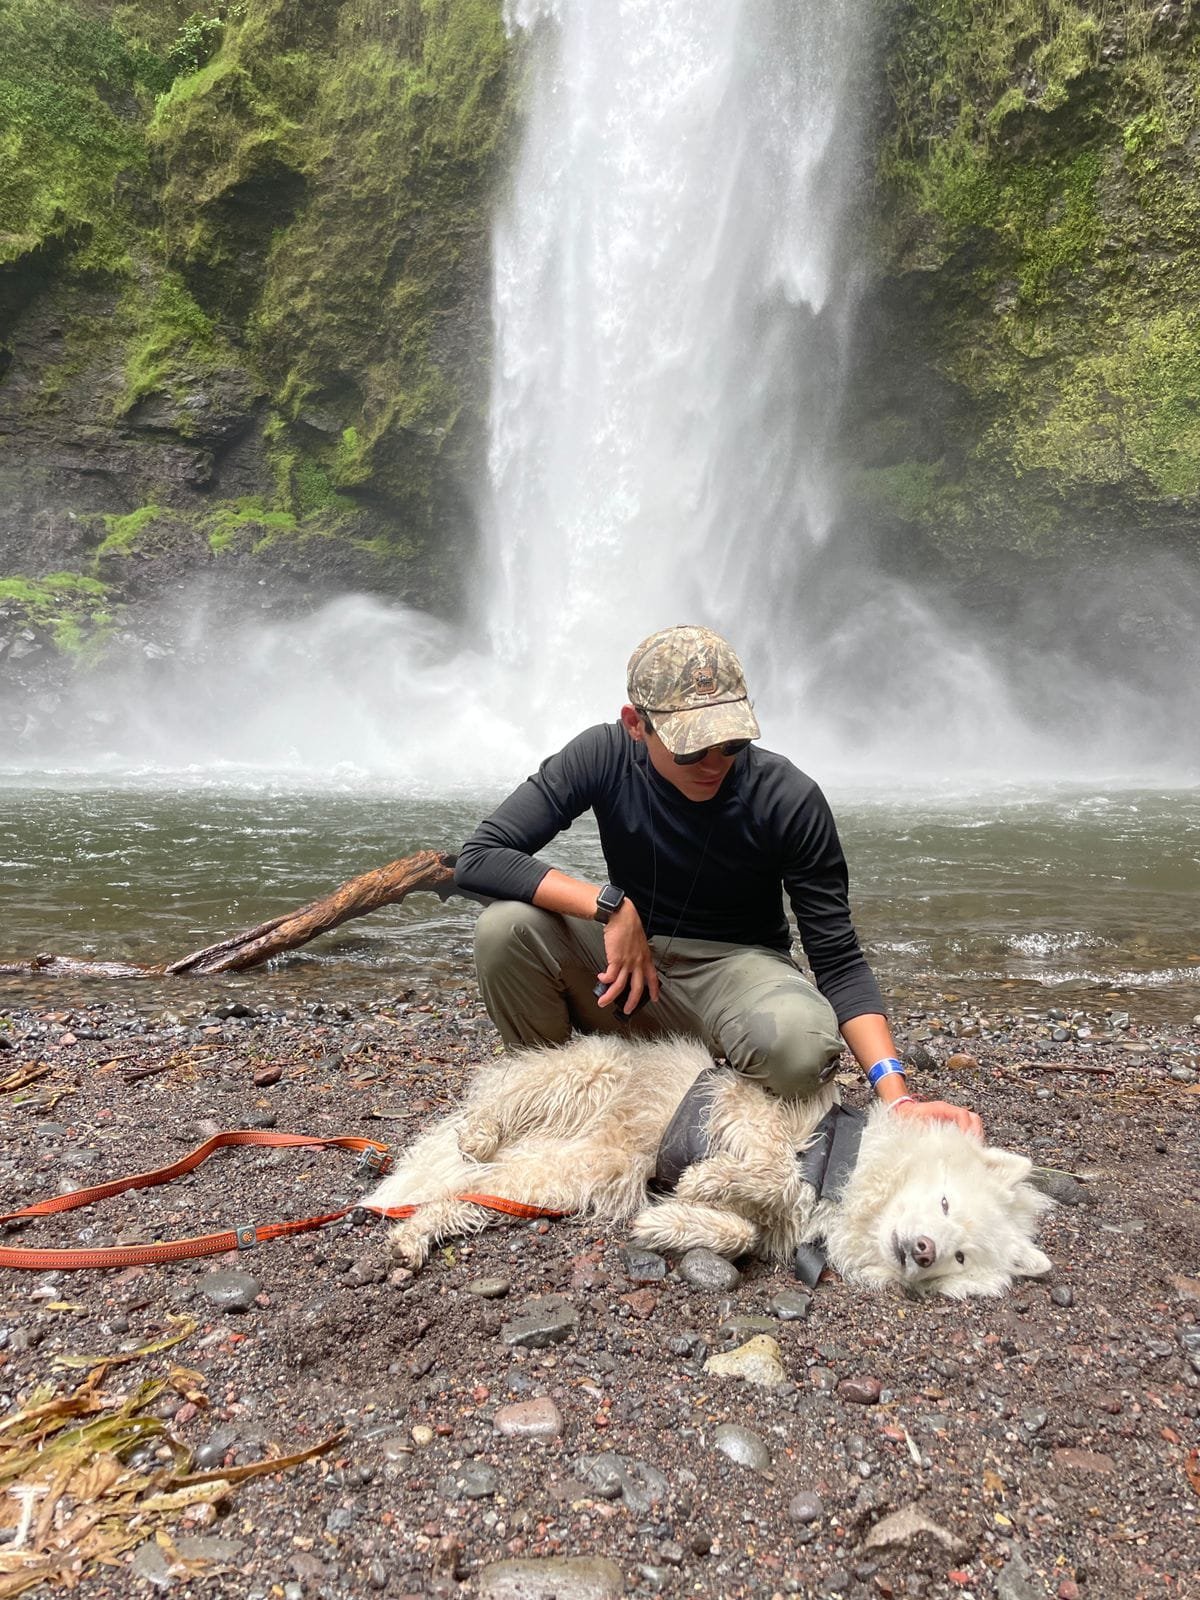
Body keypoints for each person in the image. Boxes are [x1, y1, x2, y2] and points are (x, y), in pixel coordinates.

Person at [454, 624, 982, 1137]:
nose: (713, 763)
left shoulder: (788, 797)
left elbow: (838, 958)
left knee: (800, 1051)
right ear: (636, 724)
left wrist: (899, 1097)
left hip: (739, 974)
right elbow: (480, 857)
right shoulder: (603, 754)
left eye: (729, 744)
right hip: (628, 971)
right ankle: (549, 1098)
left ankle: (696, 1087)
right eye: (691, 748)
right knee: (505, 928)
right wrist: (611, 905)